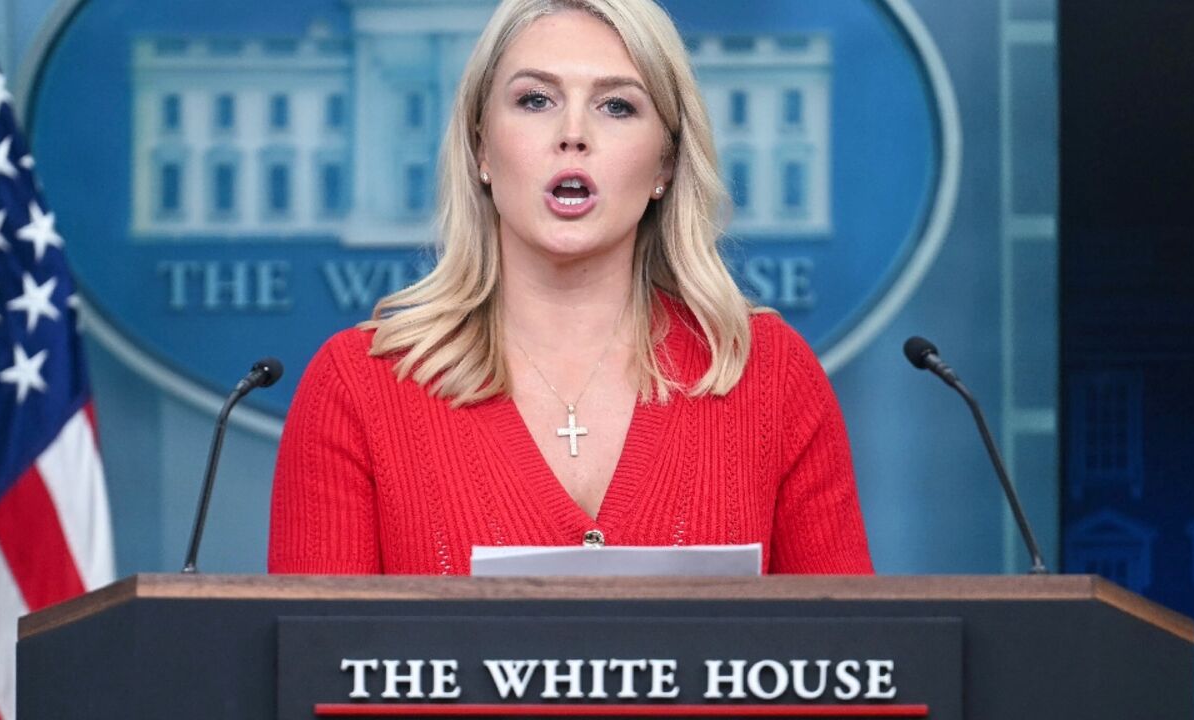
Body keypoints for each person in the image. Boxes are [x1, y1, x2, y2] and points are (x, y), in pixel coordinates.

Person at [268, 0, 873, 575]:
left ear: (665, 164)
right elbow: (315, 647)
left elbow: (849, 644)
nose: (573, 133)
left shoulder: (769, 375)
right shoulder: (358, 387)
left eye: (617, 106)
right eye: (535, 100)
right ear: (481, 148)